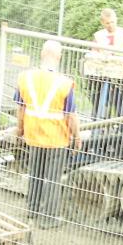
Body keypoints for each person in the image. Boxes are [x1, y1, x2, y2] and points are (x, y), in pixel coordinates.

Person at [15, 40, 81, 229]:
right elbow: (71, 115)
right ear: (59, 57)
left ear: (42, 54)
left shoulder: (25, 77)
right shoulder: (64, 83)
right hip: (56, 138)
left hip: (34, 134)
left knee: (35, 173)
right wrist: (77, 137)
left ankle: (32, 211)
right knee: (52, 178)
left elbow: (20, 109)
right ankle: (48, 219)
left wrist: (19, 130)